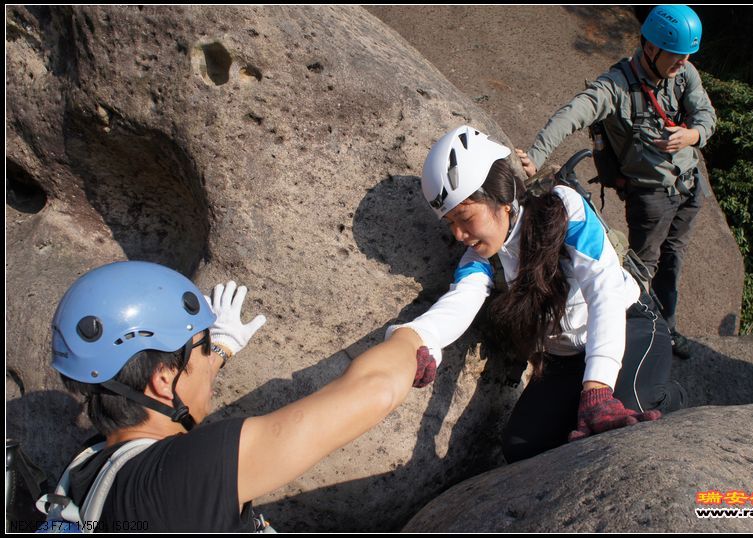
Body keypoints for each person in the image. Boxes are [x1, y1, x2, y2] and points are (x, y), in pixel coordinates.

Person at [44, 260, 428, 531]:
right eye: (204, 348)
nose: (211, 358)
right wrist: (410, 339)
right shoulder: (184, 478)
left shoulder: (89, 467)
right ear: (163, 379)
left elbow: (171, 393)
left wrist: (220, 349)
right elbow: (374, 390)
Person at [388, 125, 687, 464]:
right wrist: (422, 338)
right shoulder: (483, 259)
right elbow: (460, 301)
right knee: (522, 447)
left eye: (465, 217)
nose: (458, 234)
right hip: (564, 359)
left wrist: (598, 389)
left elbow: (603, 291)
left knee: (630, 408)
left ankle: (671, 398)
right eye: (449, 223)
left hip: (630, 325)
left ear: (500, 198)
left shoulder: (562, 209)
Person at [516, 5, 717, 359]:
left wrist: (692, 135)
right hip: (651, 197)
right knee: (642, 269)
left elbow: (706, 115)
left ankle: (665, 326)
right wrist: (536, 154)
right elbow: (573, 113)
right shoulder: (615, 88)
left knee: (674, 260)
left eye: (687, 55)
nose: (683, 62)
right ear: (651, 47)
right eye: (677, 54)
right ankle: (639, 338)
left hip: (689, 186)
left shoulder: (684, 75)